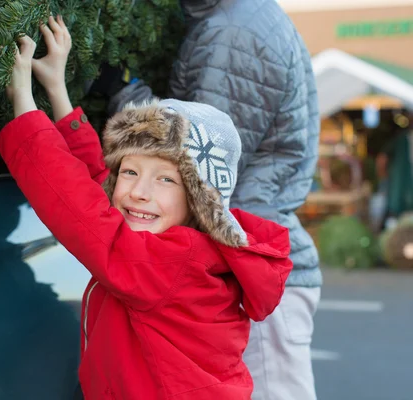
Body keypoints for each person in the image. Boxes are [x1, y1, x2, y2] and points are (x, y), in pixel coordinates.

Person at [0, 16, 292, 399]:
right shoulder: (190, 244)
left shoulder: (173, 262)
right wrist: (56, 91)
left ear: (200, 200)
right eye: (131, 170)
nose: (139, 191)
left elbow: (78, 208)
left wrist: (23, 100)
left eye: (166, 179)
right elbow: (98, 180)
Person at [101, 1, 322, 398]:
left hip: (249, 269)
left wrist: (126, 93)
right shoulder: (244, 17)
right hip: (251, 264)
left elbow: (202, 156)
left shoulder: (233, 33)